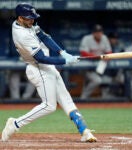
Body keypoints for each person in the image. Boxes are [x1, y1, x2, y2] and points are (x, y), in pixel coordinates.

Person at [1, 3, 97, 142]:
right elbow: (41, 58)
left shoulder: (27, 24)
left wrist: (62, 52)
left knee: (66, 100)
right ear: (20, 18)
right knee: (49, 106)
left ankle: (84, 130)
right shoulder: (21, 34)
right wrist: (65, 61)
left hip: (47, 68)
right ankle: (15, 124)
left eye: (32, 18)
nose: (32, 20)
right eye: (29, 18)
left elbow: (45, 37)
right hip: (38, 68)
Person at [80, 24, 112, 99]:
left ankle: (104, 97)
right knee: (97, 80)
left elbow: (109, 52)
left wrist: (106, 57)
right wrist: (98, 57)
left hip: (100, 66)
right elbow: (83, 53)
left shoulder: (104, 38)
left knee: (105, 79)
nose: (99, 34)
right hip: (87, 67)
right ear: (93, 33)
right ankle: (83, 98)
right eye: (97, 32)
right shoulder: (87, 38)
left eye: (100, 32)